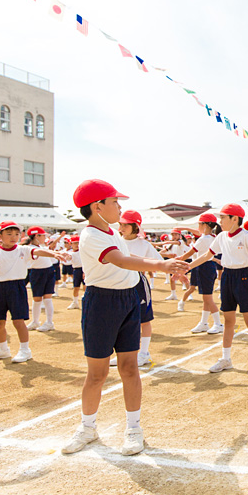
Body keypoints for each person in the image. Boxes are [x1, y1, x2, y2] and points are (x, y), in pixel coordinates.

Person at [62, 179, 187, 456]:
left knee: (130, 368)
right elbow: (120, 260)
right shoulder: (91, 235)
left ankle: (133, 429)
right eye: (115, 202)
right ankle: (87, 428)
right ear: (97, 206)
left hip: (128, 299)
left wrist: (167, 266)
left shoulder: (112, 232)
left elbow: (129, 258)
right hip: (102, 304)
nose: (120, 208)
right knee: (97, 374)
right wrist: (161, 265)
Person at [187, 204, 248, 376]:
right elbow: (206, 256)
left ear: (234, 219)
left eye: (223, 218)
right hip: (227, 277)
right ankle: (226, 359)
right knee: (228, 320)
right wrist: (186, 267)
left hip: (244, 277)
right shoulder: (221, 236)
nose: (220, 221)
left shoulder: (247, 236)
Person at [0, 222, 66, 364]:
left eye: (16, 234)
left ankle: (25, 350)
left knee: (18, 321)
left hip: (17, 287)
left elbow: (37, 252)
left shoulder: (23, 249)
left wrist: (54, 253)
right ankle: (2, 349)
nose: (13, 237)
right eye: (9, 234)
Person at [111, 210, 161, 367]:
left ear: (135, 226)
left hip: (138, 282)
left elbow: (158, 261)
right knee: (121, 320)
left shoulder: (144, 244)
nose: (122, 228)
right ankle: (123, 354)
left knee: (144, 319)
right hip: (118, 282)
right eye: (121, 224)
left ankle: (144, 353)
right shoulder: (116, 241)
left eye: (126, 225)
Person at [24, 226, 58, 332]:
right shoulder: (29, 248)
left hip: (49, 271)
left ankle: (49, 322)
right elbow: (38, 252)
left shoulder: (42, 246)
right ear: (36, 236)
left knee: (47, 298)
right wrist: (56, 254)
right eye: (43, 235)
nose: (45, 238)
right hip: (37, 272)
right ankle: (35, 321)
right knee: (37, 298)